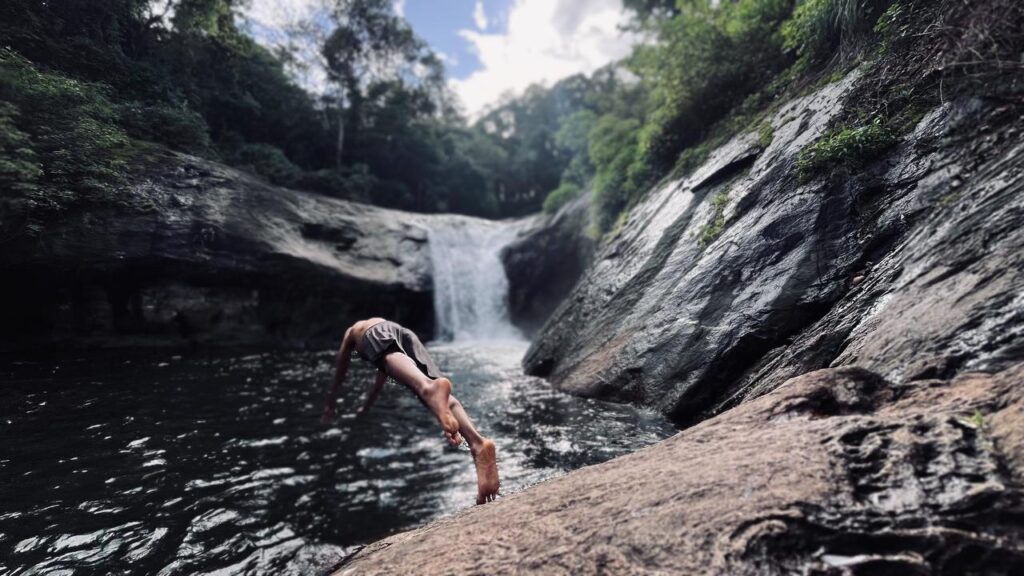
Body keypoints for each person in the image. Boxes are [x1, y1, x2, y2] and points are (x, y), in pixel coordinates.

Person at [321, 317, 500, 504]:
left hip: (378, 333)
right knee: (438, 394)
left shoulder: (355, 331)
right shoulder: (388, 358)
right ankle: (477, 443)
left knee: (424, 386)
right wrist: (365, 407)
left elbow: (341, 368)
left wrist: (330, 402)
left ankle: (427, 388)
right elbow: (379, 382)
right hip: (406, 335)